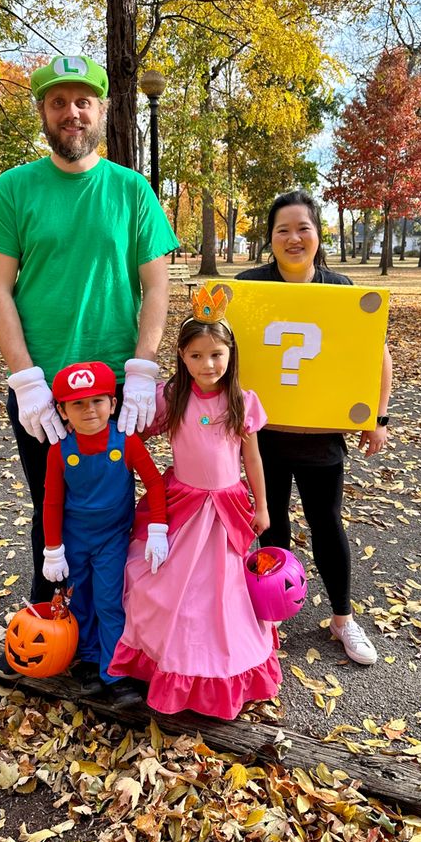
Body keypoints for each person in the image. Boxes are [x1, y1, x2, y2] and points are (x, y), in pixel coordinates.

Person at [0, 55, 179, 677]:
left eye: (83, 100)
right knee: (50, 504)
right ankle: (50, 626)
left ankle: (118, 642)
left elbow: (157, 286)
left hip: (115, 390)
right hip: (44, 390)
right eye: (58, 101)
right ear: (42, 111)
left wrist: (143, 367)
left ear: (104, 110)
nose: (72, 112)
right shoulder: (14, 189)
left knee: (118, 510)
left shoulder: (131, 191)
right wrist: (26, 379)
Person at [108, 288, 282, 719]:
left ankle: (224, 669)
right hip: (182, 507)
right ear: (182, 358)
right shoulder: (172, 397)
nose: (208, 365)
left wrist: (262, 506)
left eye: (217, 354)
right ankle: (168, 658)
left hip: (227, 511)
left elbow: (252, 458)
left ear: (231, 354)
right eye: (197, 355)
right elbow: (137, 434)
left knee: (223, 594)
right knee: (170, 586)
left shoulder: (243, 400)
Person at [236, 190, 392, 666]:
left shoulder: (340, 289)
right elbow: (220, 350)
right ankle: (273, 613)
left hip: (320, 434)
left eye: (302, 227)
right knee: (272, 522)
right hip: (264, 436)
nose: (293, 237)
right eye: (282, 229)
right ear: (270, 239)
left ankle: (343, 618)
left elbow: (377, 356)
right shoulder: (250, 288)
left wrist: (378, 417)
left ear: (318, 234)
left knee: (326, 523)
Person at [33, 361, 167, 708]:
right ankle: (88, 662)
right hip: (74, 540)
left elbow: (154, 482)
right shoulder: (59, 451)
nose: (89, 410)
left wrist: (158, 527)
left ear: (113, 403)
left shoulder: (126, 441)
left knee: (109, 601)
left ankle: (115, 671)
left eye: (97, 401)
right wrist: (53, 549)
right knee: (78, 600)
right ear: (62, 411)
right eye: (77, 404)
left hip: (111, 539)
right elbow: (51, 501)